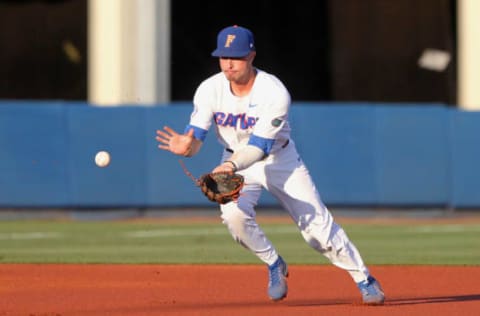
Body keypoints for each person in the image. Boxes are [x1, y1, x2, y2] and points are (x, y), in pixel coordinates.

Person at [156, 25, 385, 305]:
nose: (229, 63)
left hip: (279, 160)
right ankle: (274, 263)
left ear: (251, 55)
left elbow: (259, 147)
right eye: (223, 56)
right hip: (234, 159)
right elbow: (196, 138)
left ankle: (364, 278)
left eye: (236, 56)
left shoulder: (274, 92)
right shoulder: (209, 89)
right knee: (234, 217)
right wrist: (187, 147)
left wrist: (229, 166)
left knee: (317, 231)